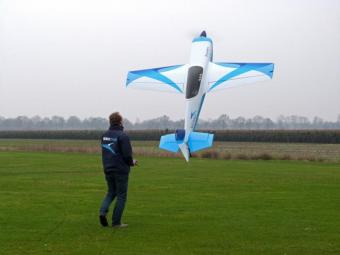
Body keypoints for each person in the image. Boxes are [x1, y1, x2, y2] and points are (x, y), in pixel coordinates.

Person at [99, 112, 137, 228]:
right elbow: (127, 155)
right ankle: (116, 222)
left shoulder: (104, 135)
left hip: (108, 168)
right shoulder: (123, 136)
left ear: (110, 121)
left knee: (111, 192)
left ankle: (102, 212)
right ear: (120, 121)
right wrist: (132, 162)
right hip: (120, 170)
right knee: (121, 195)